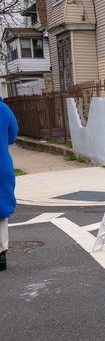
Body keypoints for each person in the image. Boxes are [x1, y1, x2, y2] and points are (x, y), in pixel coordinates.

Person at [0, 96, 20, 272]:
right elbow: (12, 136)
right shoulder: (4, 110)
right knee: (1, 210)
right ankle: (1, 254)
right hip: (1, 165)